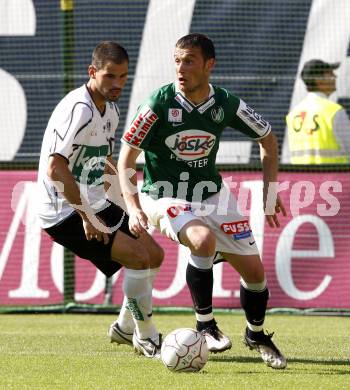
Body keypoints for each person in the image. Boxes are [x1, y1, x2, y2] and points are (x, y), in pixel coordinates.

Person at [117, 33, 287, 369]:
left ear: (210, 65)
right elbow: (125, 162)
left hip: (212, 194)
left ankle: (255, 334)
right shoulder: (158, 104)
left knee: (255, 272)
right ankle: (204, 324)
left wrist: (270, 193)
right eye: (177, 60)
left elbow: (267, 137)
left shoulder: (224, 103)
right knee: (202, 240)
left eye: (190, 60)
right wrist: (135, 208)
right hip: (162, 194)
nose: (181, 68)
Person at [36, 41, 164, 358]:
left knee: (153, 253)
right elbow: (55, 167)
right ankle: (147, 337)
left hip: (94, 202)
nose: (117, 84)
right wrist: (88, 217)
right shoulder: (78, 110)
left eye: (123, 76)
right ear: (92, 72)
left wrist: (129, 208)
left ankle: (124, 328)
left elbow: (106, 165)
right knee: (136, 257)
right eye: (110, 76)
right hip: (64, 210)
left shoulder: (112, 110)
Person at [285, 59, 350, 164]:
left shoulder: (293, 114)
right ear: (319, 80)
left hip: (302, 178)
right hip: (333, 177)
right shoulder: (334, 111)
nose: (335, 76)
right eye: (330, 74)